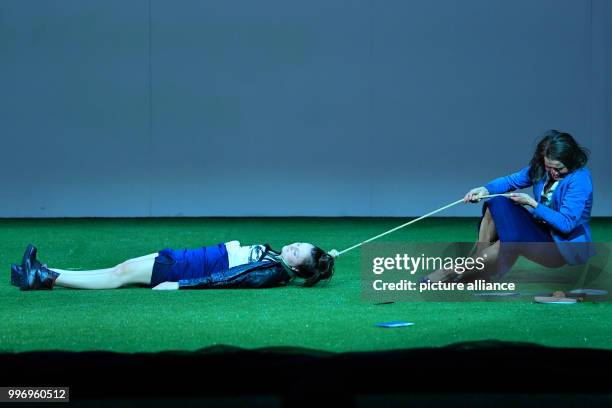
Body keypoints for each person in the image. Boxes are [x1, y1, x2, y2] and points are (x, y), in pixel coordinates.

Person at [424, 129, 594, 282]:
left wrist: (531, 203)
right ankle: (480, 268)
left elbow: (566, 224)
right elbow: (510, 181)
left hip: (558, 247)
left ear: (571, 161)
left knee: (512, 237)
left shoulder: (579, 180)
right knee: (497, 201)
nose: (553, 173)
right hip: (539, 230)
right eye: (549, 167)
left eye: (559, 169)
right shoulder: (542, 168)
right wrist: (483, 190)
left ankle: (453, 271)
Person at [11, 240, 335, 291]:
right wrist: (323, 257)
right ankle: (45, 271)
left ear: (295, 269)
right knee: (121, 267)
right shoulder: (277, 258)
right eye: (299, 244)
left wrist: (180, 285)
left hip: (187, 270)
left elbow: (225, 279)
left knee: (121, 276)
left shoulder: (271, 271)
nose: (292, 247)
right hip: (188, 257)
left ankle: (45, 278)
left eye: (297, 253)